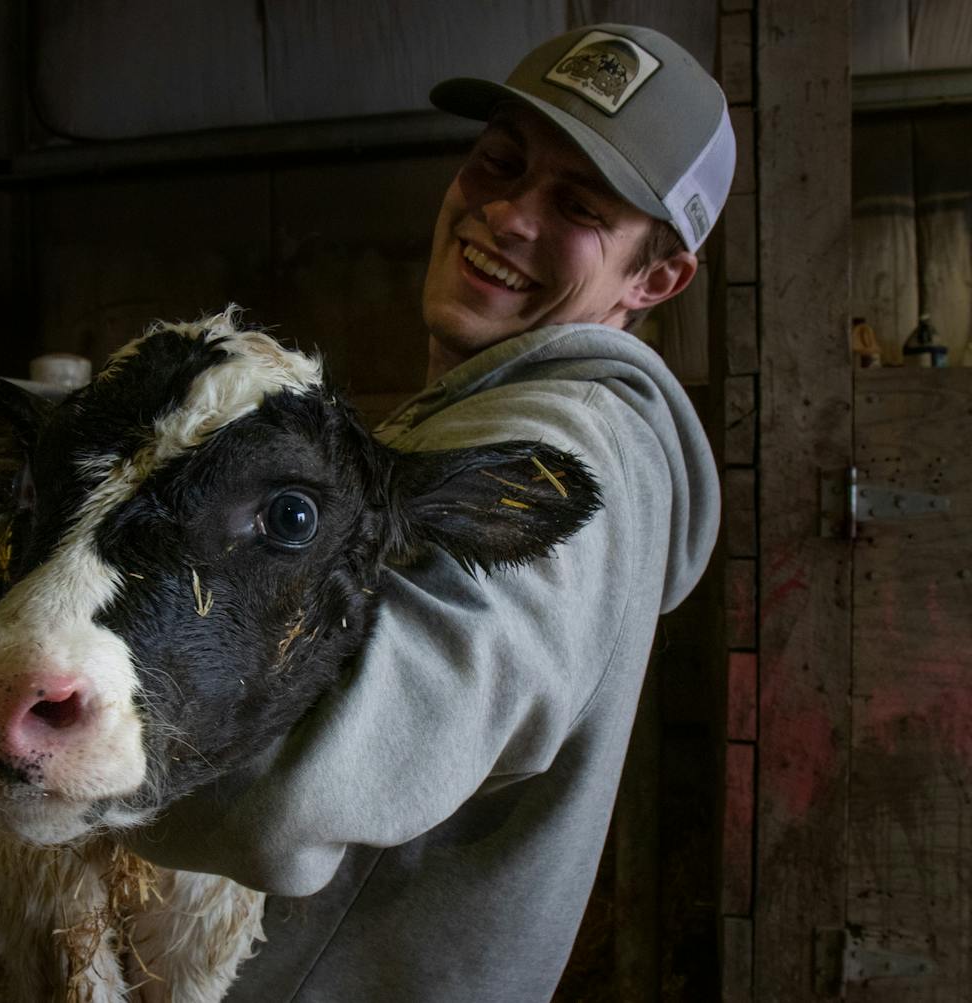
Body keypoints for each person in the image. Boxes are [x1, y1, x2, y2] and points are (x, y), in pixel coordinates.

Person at [125, 23, 728, 1001]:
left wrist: (78, 727)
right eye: (499, 162)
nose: (506, 214)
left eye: (575, 206)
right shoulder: (489, 412)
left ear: (653, 279)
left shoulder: (556, 451)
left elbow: (299, 779)